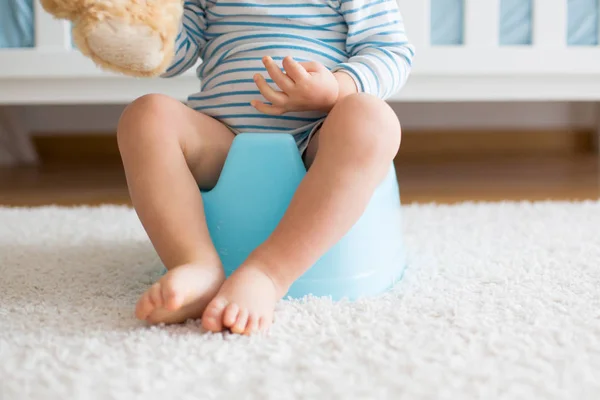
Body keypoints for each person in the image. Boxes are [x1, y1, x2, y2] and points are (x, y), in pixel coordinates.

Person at [117, 0, 415, 335]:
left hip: (319, 137)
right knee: (146, 116)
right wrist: (140, 19)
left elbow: (390, 50)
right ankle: (195, 263)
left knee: (373, 122)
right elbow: (174, 57)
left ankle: (269, 273)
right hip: (221, 140)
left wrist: (337, 88)